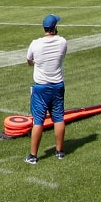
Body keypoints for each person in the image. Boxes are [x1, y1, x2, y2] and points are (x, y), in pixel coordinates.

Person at [25, 14, 68, 164]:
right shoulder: (62, 42)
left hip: (41, 87)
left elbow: (29, 61)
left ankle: (33, 155)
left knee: (38, 121)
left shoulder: (35, 44)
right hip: (57, 85)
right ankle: (60, 151)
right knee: (58, 118)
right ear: (54, 27)